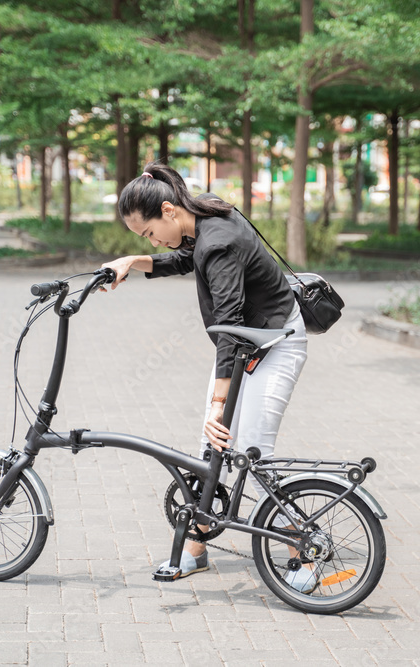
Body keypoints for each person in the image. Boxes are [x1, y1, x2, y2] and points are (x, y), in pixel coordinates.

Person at [99, 162, 314, 592]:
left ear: (168, 210)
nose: (151, 240)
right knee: (208, 450)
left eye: (147, 233)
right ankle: (196, 551)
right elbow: (181, 257)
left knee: (251, 454)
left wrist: (218, 406)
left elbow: (229, 327)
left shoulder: (219, 241)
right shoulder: (204, 217)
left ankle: (301, 549)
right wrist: (133, 260)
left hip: (276, 343)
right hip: (249, 344)